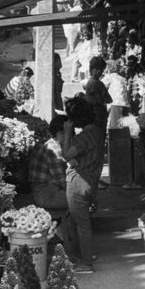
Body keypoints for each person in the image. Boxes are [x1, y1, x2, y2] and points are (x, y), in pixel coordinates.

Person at [61, 96, 103, 273]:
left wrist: (67, 132)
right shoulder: (97, 132)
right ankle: (85, 255)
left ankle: (86, 263)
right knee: (80, 222)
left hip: (78, 182)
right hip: (90, 181)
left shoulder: (83, 136)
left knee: (81, 224)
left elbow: (66, 154)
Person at [29, 114, 72, 249]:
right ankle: (73, 245)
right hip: (46, 194)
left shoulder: (53, 144)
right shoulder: (55, 149)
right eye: (70, 133)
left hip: (49, 190)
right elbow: (63, 180)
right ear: (61, 133)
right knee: (80, 201)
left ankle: (67, 238)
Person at [104, 59, 129, 129]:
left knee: (115, 126)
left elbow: (102, 86)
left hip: (115, 103)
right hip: (124, 103)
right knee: (123, 125)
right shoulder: (122, 78)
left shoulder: (109, 78)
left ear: (108, 69)